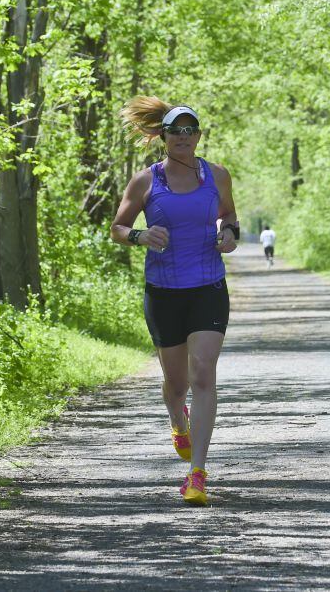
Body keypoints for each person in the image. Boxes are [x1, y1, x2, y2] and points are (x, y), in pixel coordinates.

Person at [111, 96, 238, 506]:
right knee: (177, 382)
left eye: (191, 130)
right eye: (176, 130)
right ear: (162, 136)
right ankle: (177, 421)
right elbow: (118, 227)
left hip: (208, 286)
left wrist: (230, 235)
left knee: (203, 374)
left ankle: (197, 474)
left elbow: (230, 217)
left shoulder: (217, 175)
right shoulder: (145, 181)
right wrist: (140, 236)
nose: (184, 137)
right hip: (163, 291)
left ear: (199, 136)